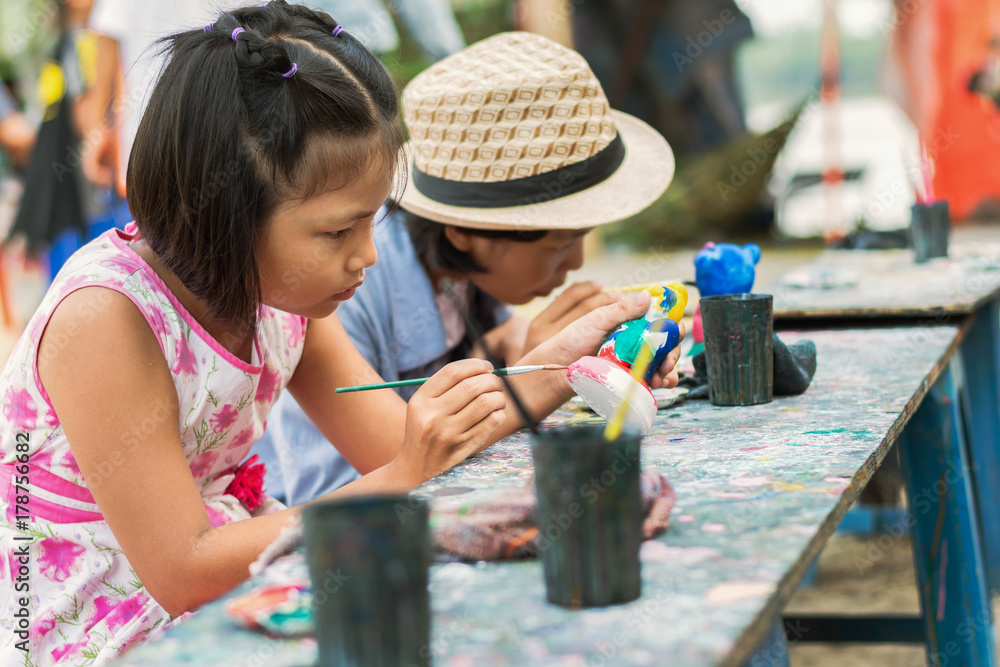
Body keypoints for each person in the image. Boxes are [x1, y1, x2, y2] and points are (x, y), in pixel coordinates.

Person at [0, 5, 679, 664]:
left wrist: (554, 371)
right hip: (88, 620)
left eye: (370, 221)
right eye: (337, 231)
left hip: (221, 569)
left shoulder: (282, 298)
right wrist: (404, 470)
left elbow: (401, 441)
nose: (369, 256)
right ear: (229, 210)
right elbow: (183, 567)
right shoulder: (106, 319)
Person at [253, 30, 680, 505]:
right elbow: (341, 489)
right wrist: (526, 374)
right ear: (465, 232)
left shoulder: (464, 270)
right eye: (561, 244)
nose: (578, 263)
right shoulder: (330, 293)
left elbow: (494, 348)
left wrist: (542, 357)